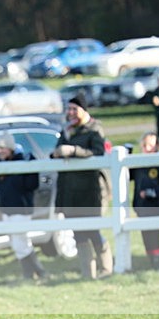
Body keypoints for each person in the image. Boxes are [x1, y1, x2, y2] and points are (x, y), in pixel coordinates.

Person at [52, 94, 113, 279]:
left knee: (93, 230)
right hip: (69, 191)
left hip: (89, 190)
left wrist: (74, 151)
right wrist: (59, 150)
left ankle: (106, 269)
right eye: (68, 109)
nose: (70, 113)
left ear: (84, 110)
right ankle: (88, 272)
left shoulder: (95, 128)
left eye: (74, 109)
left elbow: (98, 152)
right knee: (78, 233)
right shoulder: (67, 130)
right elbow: (56, 152)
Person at [0, 132, 47, 280]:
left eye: (2, 148)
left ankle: (35, 273)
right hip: (6, 208)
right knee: (17, 241)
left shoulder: (23, 160)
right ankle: (35, 273)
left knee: (20, 242)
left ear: (10, 148)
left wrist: (26, 168)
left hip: (21, 208)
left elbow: (31, 185)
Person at [130, 132, 159, 270]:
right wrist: (127, 156)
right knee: (146, 238)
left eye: (150, 145)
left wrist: (152, 193)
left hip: (156, 207)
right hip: (141, 207)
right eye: (144, 145)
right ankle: (152, 262)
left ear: (157, 146)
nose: (146, 148)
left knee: (154, 237)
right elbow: (128, 175)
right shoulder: (138, 163)